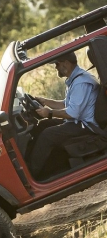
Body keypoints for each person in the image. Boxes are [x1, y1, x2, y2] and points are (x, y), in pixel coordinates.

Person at [29, 51, 100, 179]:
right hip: (78, 122)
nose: (56, 67)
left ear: (66, 64)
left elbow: (73, 112)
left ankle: (32, 175)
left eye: (57, 64)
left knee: (47, 135)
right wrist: (46, 102)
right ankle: (34, 162)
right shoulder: (75, 78)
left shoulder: (81, 82)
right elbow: (67, 105)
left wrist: (49, 112)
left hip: (86, 126)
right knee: (43, 125)